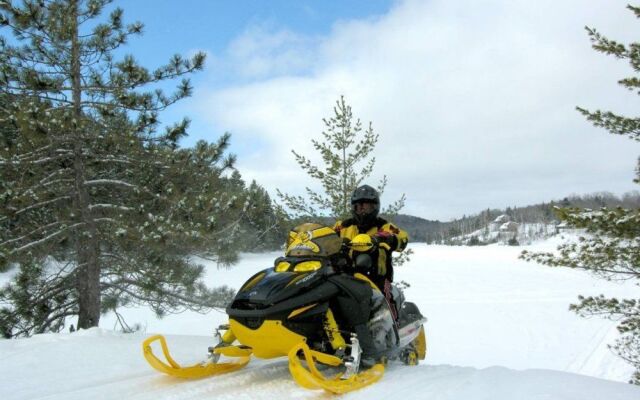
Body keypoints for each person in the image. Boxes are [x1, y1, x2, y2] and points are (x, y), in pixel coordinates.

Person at [333, 184, 409, 320]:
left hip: (377, 277)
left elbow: (402, 238)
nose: (362, 211)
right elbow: (326, 236)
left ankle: (395, 326)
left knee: (385, 299)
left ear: (375, 207)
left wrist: (388, 238)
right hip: (346, 275)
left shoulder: (384, 226)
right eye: (358, 207)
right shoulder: (343, 226)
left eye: (366, 207)